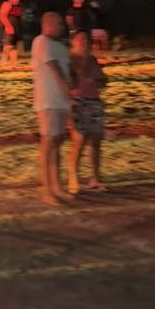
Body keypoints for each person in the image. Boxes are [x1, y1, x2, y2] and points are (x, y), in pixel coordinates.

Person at [32, 12, 72, 206]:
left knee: (56, 145)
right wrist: (69, 93)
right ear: (47, 24)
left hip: (61, 101)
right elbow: (55, 69)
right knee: (48, 144)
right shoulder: (41, 41)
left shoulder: (60, 46)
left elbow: (69, 71)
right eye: (58, 23)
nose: (62, 26)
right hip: (48, 101)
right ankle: (47, 190)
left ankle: (57, 186)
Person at [68, 30, 108, 195]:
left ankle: (95, 178)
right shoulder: (70, 60)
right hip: (78, 101)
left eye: (85, 39)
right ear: (72, 42)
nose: (83, 42)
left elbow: (103, 81)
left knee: (96, 141)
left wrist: (98, 81)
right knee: (79, 140)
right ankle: (73, 177)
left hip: (94, 101)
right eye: (80, 39)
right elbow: (68, 82)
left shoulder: (92, 59)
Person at [0, 0, 23, 69]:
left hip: (17, 28)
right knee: (8, 45)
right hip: (10, 27)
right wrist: (8, 26)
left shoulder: (18, 5)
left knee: (14, 47)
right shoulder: (7, 4)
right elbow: (2, 15)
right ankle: (2, 61)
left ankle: (13, 64)